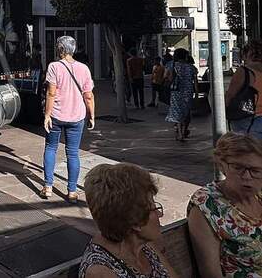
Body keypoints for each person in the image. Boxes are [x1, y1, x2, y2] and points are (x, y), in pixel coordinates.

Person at [79, 163, 176, 278]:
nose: (160, 214)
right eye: (153, 208)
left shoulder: (144, 245)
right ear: (135, 221)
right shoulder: (100, 271)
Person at [188, 133, 262, 276]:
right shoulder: (207, 205)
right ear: (222, 166)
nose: (247, 176)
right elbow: (211, 274)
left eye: (255, 170)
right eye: (238, 167)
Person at [42, 35, 95, 202]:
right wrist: (92, 115)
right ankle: (72, 191)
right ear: (73, 49)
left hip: (56, 115)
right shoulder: (84, 69)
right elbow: (88, 96)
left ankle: (48, 187)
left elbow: (51, 93)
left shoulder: (54, 67)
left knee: (51, 148)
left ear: (59, 49)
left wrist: (47, 115)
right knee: (72, 153)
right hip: (76, 116)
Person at [225, 39, 262, 139]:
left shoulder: (244, 71)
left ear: (246, 55)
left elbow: (230, 95)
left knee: (247, 147)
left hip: (249, 120)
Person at [165, 48, 197, 141]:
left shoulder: (171, 65)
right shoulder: (191, 67)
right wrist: (197, 93)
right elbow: (195, 82)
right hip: (188, 92)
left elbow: (166, 77)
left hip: (176, 91)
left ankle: (179, 134)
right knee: (187, 112)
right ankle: (184, 131)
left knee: (177, 112)